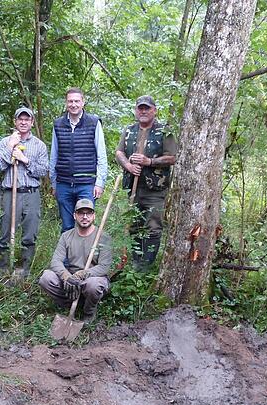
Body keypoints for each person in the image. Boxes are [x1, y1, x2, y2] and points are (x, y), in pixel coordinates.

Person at [115, 95, 177, 270]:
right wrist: (128, 165)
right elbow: (119, 152)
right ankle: (135, 264)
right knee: (134, 224)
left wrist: (148, 161)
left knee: (152, 227)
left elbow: (172, 157)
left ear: (154, 110)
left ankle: (146, 267)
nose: (143, 111)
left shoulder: (164, 131)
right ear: (136, 110)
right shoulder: (129, 130)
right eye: (140, 108)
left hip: (155, 189)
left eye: (147, 108)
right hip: (133, 189)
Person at [39, 199, 113, 323]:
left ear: (94, 216)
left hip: (92, 278)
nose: (85, 217)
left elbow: (104, 267)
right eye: (81, 213)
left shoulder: (103, 237)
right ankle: (69, 304)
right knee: (46, 278)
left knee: (93, 285)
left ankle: (88, 311)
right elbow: (56, 261)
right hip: (71, 279)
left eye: (88, 213)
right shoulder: (66, 236)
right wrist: (66, 276)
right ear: (75, 215)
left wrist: (83, 274)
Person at [0, 107, 49, 277]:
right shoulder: (5, 142)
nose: (23, 122)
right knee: (5, 231)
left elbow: (43, 171)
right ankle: (3, 269)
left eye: (27, 119)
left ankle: (24, 270)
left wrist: (24, 160)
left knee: (30, 233)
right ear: (15, 122)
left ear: (32, 122)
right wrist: (10, 148)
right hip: (11, 192)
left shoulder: (39, 145)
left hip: (31, 193)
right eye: (20, 119)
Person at [50, 88, 108, 232]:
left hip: (86, 184)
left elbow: (101, 155)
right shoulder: (58, 124)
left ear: (83, 102)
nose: (73, 104)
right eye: (70, 101)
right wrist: (53, 182)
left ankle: (86, 255)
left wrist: (100, 183)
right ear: (66, 103)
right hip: (63, 183)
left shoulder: (94, 123)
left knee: (86, 224)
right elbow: (54, 155)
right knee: (67, 226)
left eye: (77, 101)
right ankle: (67, 255)